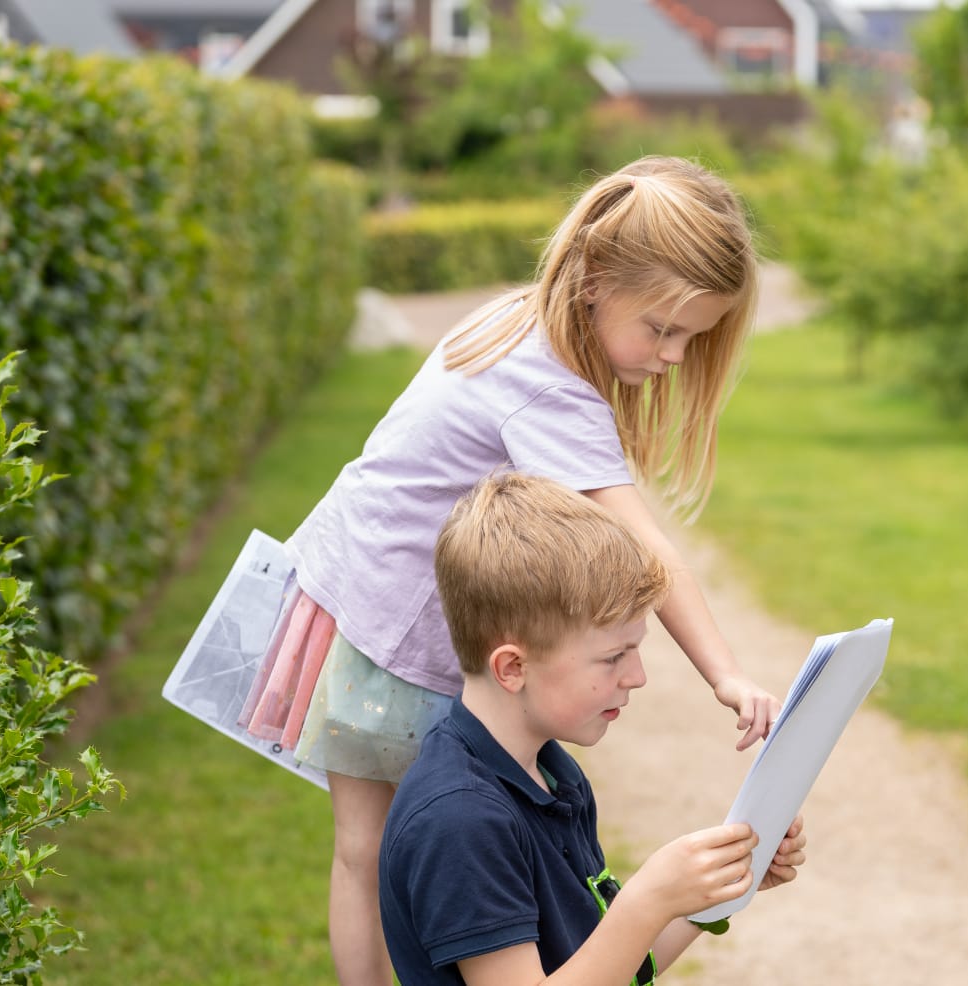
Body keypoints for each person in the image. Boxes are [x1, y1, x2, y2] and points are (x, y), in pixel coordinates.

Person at [265, 155, 782, 986]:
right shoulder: (551, 389)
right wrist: (725, 673)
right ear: (595, 282)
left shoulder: (517, 322)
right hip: (392, 629)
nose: (676, 356)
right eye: (661, 328)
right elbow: (646, 546)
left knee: (370, 854)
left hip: (355, 589)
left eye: (693, 336)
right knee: (420, 844)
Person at [380, 472, 807, 985]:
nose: (638, 676)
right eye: (612, 657)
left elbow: (603, 965)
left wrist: (712, 892)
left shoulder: (548, 773)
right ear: (512, 668)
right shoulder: (460, 822)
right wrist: (647, 902)